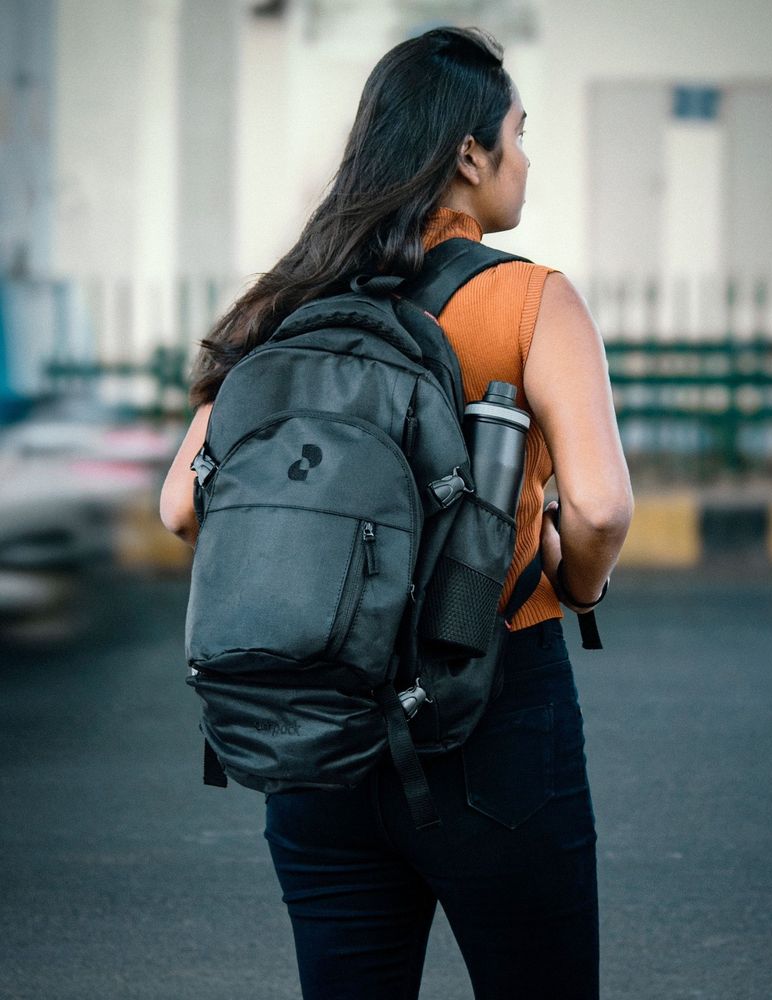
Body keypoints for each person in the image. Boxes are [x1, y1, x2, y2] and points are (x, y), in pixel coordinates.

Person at [161, 25, 632, 1000]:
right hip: (486, 716)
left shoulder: (283, 300)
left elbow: (179, 506)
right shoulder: (528, 299)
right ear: (469, 152)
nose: (526, 158)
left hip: (308, 730)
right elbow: (597, 507)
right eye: (518, 132)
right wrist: (572, 578)